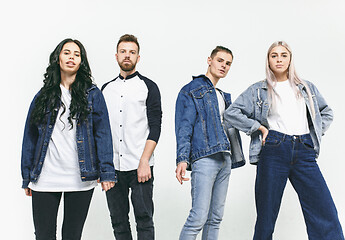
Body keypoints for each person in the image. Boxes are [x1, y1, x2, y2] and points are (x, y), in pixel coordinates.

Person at [224, 41, 344, 240]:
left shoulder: (306, 87)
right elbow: (231, 113)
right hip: (273, 149)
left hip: (304, 150)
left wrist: (314, 132)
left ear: (290, 59)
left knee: (324, 210)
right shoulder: (258, 90)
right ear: (268, 60)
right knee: (266, 216)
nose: (279, 59)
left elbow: (326, 112)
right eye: (274, 55)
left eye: (283, 55)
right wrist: (258, 128)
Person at [21, 38, 116, 240]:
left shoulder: (93, 94)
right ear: (58, 58)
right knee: (43, 235)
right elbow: (30, 136)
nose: (71, 57)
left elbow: (103, 133)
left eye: (76, 54)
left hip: (80, 177)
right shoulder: (43, 96)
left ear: (81, 61)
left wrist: (107, 171)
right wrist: (27, 176)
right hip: (45, 177)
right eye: (67, 53)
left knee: (72, 236)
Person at [175, 46, 245, 240]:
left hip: (225, 158)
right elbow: (184, 126)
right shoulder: (193, 89)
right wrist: (182, 159)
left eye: (228, 63)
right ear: (209, 60)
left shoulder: (222, 95)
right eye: (220, 60)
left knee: (215, 219)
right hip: (204, 158)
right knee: (198, 217)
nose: (224, 66)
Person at [102, 34, 162, 240]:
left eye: (132, 52)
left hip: (140, 165)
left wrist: (145, 160)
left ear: (138, 57)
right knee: (118, 222)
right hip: (113, 168)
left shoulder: (149, 87)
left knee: (144, 220)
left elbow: (155, 126)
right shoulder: (105, 89)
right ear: (116, 55)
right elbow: (100, 131)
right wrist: (104, 168)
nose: (127, 55)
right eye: (123, 51)